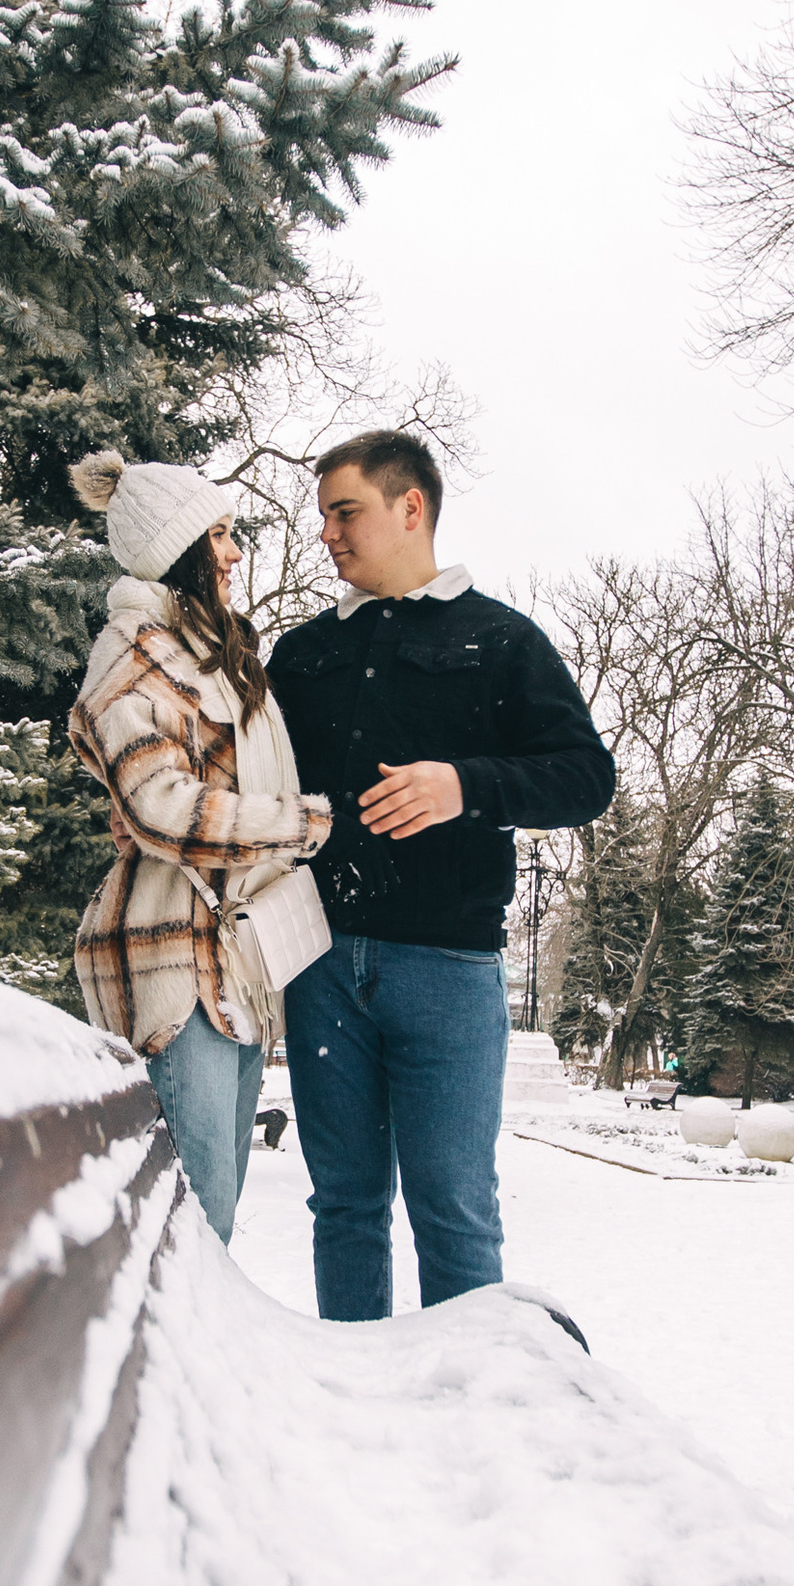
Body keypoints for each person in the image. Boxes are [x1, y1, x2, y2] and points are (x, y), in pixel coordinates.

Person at [272, 430, 615, 1319]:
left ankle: (469, 1422)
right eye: (323, 517)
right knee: (344, 1207)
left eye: (345, 512)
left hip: (448, 973)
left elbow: (586, 777)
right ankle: (356, 1399)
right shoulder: (302, 656)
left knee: (454, 1216)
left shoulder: (500, 641)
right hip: (317, 965)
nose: (328, 535)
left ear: (410, 507)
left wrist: (465, 783)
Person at [65, 451, 332, 1244]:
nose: (235, 551)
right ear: (176, 549)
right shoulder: (133, 655)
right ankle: (168, 1370)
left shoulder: (213, 655)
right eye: (219, 534)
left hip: (238, 969)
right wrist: (299, 823)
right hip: (173, 967)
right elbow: (161, 808)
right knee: (192, 1225)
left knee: (212, 1214)